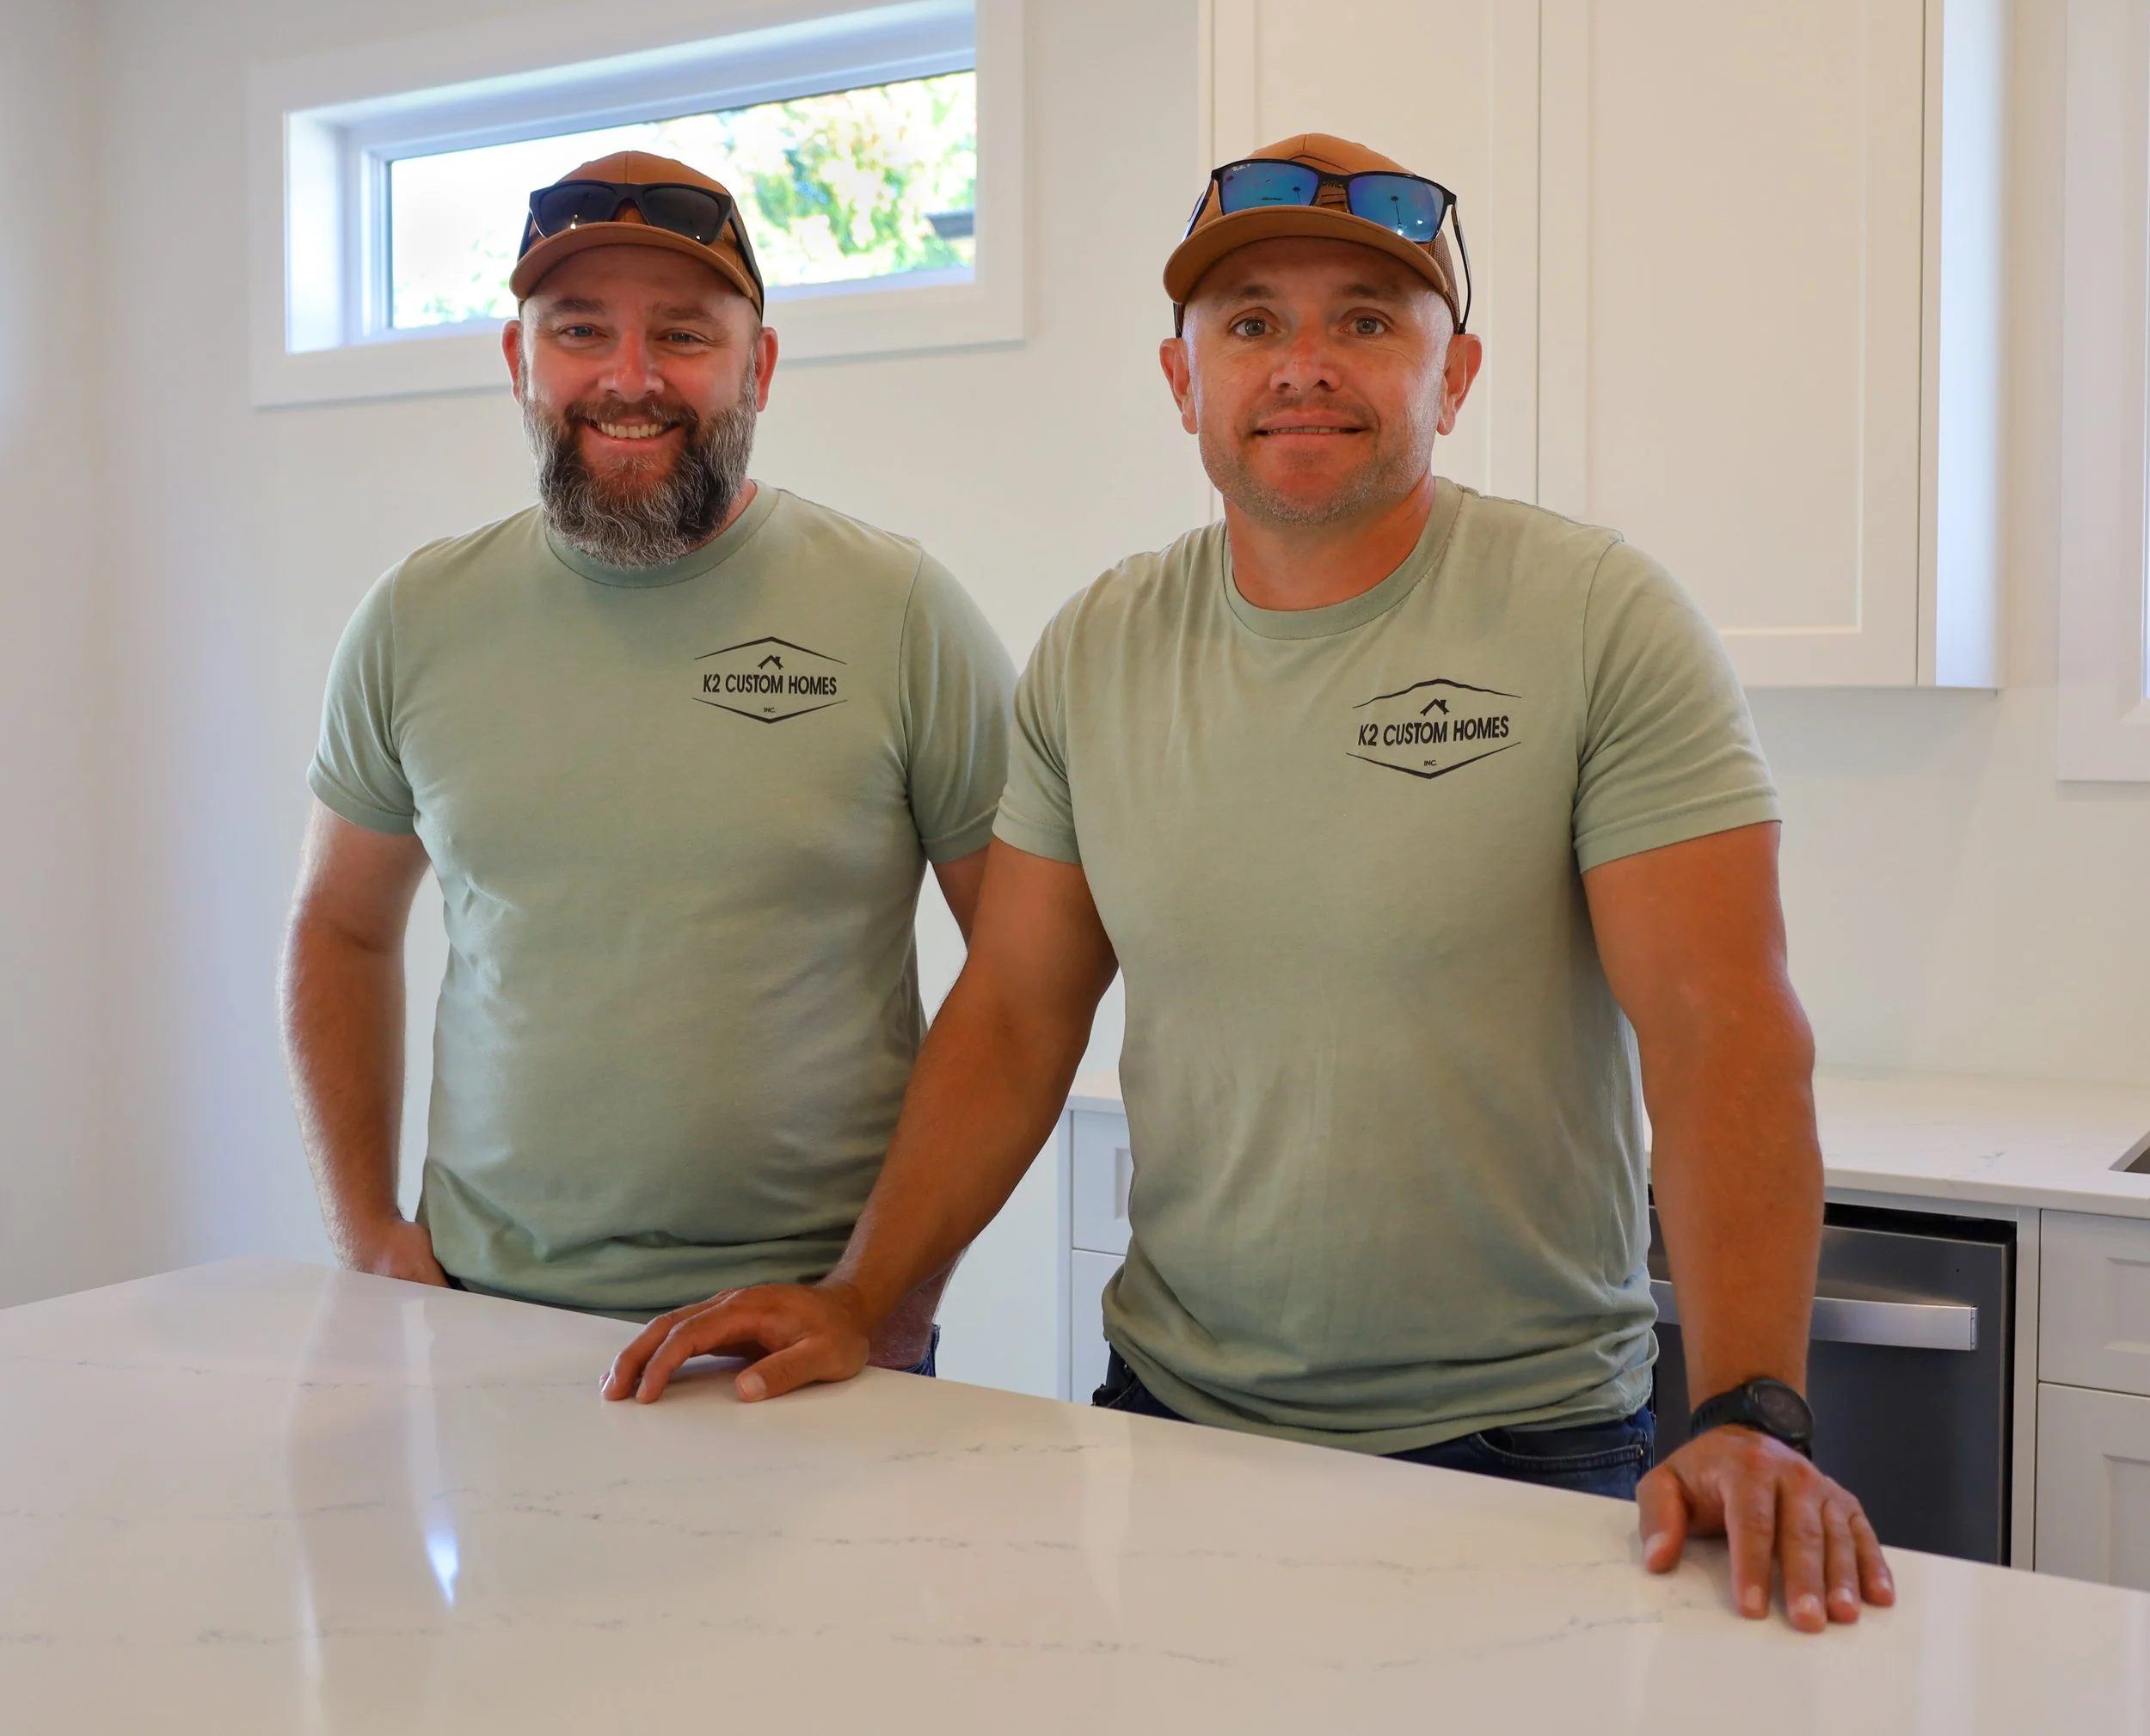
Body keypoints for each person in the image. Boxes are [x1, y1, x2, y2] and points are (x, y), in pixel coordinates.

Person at [602, 134, 1895, 1631]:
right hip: (1173, 1416)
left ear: (1453, 375)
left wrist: (1751, 1410)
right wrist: (870, 1297)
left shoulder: (1595, 619)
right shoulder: (1100, 648)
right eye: (1252, 323)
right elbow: (1019, 1009)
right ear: (1183, 380)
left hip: (1520, 1447)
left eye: (1367, 319)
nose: (1304, 365)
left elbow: (1717, 1017)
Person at [281, 151, 1014, 1372]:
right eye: (579, 331)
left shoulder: (899, 612)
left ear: (759, 369)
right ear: (520, 365)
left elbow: (1025, 976)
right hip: (482, 1317)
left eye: (683, 334)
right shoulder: (417, 617)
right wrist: (364, 1231)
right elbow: (340, 928)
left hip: (802, 1334)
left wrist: (889, 1290)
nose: (630, 378)